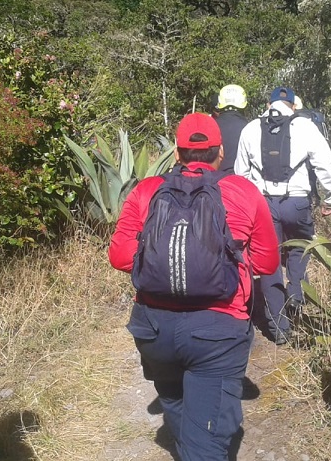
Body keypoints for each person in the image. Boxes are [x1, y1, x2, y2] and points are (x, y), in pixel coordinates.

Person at [108, 113, 279, 459]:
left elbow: (120, 256)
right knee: (207, 444)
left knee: (177, 407)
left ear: (176, 153)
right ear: (220, 153)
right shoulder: (244, 193)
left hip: (154, 329)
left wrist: (168, 263)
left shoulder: (146, 192)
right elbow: (267, 263)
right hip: (217, 333)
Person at [234, 86, 331, 344]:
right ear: (293, 105)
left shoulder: (250, 129)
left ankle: (279, 327)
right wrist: (330, 197)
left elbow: (240, 173)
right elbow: (324, 163)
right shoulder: (304, 126)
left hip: (264, 204)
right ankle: (297, 299)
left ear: (268, 105)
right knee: (299, 249)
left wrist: (249, 205)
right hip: (298, 202)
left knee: (269, 263)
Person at [214, 84, 250, 173]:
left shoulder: (210, 126)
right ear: (244, 104)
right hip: (240, 183)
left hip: (212, 183)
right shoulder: (250, 128)